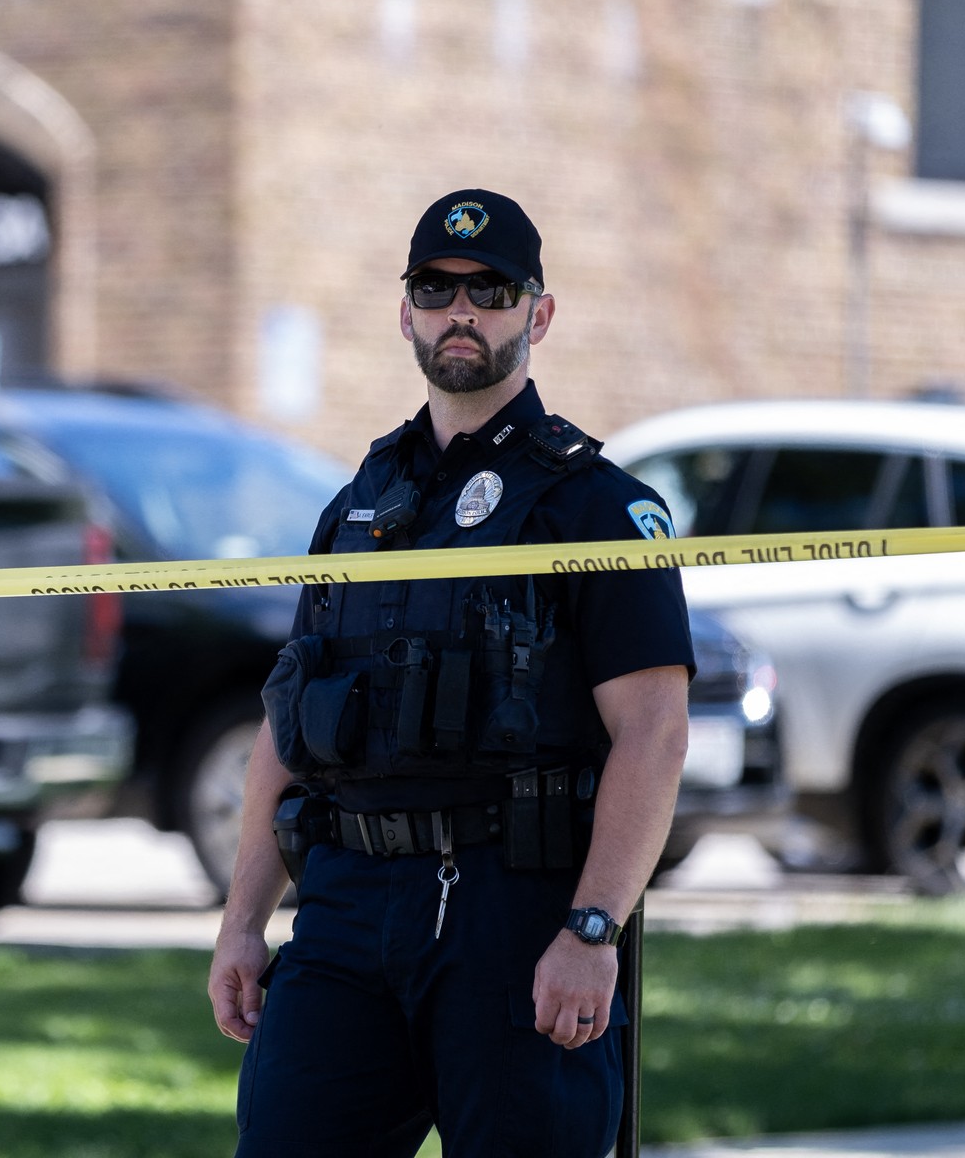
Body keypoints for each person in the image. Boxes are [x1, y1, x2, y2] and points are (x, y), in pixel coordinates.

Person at [207, 190, 693, 1158]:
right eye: (436, 288)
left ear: (538, 315)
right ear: (406, 312)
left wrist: (592, 932)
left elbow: (656, 733)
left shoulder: (595, 506)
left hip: (513, 914)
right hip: (347, 908)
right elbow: (286, 723)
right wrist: (242, 923)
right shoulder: (359, 503)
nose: (460, 311)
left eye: (491, 289)